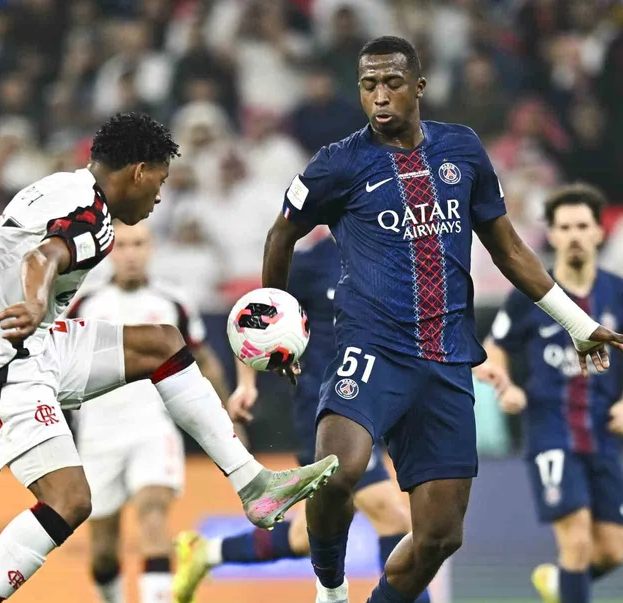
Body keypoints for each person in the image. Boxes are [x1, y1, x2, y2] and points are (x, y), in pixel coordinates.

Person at [259, 36, 623, 603]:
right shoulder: (336, 163)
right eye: (368, 86)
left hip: (448, 358)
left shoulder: (463, 149)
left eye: (392, 83)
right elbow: (281, 235)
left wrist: (576, 324)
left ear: (419, 86)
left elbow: (509, 249)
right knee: (335, 471)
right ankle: (330, 589)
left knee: (439, 537)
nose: (380, 96)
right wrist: (275, 320)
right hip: (372, 349)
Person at [0, 112, 339, 603]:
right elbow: (42, 258)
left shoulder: (63, 185)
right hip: (1, 358)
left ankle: (253, 484)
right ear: (138, 172)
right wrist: (37, 302)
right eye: (160, 181)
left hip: (33, 340)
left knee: (163, 343)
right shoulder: (96, 219)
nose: (159, 196)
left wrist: (37, 309)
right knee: (69, 501)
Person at [172, 227, 430, 603]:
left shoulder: (389, 258)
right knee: (390, 514)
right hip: (327, 410)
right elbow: (253, 315)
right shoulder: (311, 263)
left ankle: (208, 552)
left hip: (371, 404)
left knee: (313, 531)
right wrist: (247, 383)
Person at [68, 220, 231, 603]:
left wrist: (228, 417)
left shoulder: (173, 301)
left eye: (138, 244)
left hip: (152, 427)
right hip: (97, 433)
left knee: (153, 516)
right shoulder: (83, 303)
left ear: (151, 248)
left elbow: (203, 360)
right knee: (103, 552)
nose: (131, 254)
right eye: (122, 245)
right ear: (110, 251)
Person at [476, 183, 623, 603]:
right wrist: (505, 385)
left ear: (598, 233)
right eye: (565, 227)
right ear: (552, 235)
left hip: (603, 435)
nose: (574, 235)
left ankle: (559, 585)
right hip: (551, 432)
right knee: (576, 541)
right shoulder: (531, 293)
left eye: (582, 226)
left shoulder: (617, 293)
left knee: (612, 551)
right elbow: (494, 349)